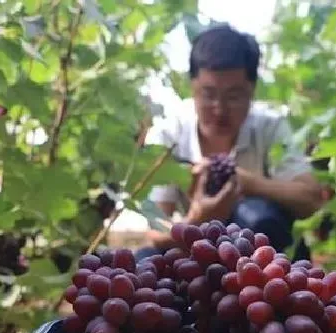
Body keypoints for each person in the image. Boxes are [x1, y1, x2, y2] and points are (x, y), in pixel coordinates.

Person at [136, 25, 323, 261]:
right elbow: (155, 233)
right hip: (196, 250)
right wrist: (196, 219)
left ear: (252, 90)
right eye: (208, 94)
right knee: (145, 260)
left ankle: (276, 294)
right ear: (192, 87)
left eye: (233, 96)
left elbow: (312, 199)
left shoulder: (270, 127)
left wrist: (250, 184)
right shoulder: (168, 134)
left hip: (257, 256)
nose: (220, 109)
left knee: (258, 217)